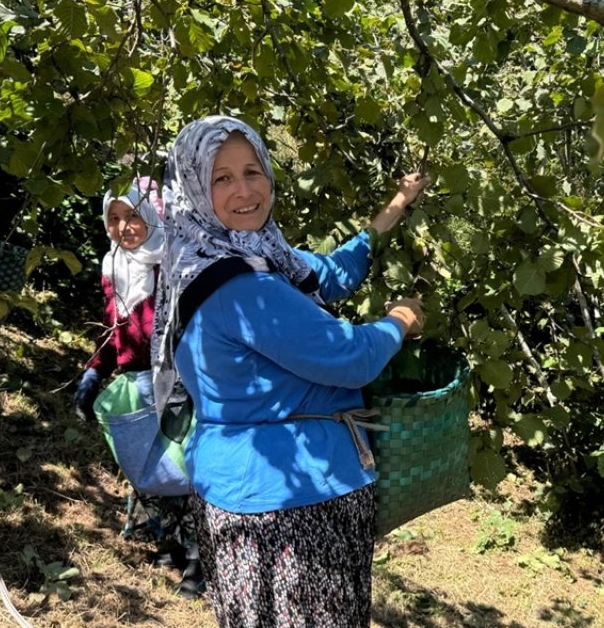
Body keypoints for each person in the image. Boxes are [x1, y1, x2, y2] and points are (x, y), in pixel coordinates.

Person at [152, 116, 428, 626]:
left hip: (240, 492)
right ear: (192, 186)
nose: (244, 190)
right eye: (221, 178)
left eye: (253, 171)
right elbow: (352, 358)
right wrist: (400, 320)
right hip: (292, 503)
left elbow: (330, 272)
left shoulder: (241, 255)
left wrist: (397, 205)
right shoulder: (242, 288)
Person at [72, 177, 205, 598]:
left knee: (184, 472)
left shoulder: (173, 266)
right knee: (148, 467)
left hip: (179, 384)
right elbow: (116, 333)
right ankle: (168, 543)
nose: (123, 226)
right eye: (114, 218)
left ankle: (199, 560)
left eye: (132, 216)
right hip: (138, 383)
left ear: (152, 215)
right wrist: (94, 372)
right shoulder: (115, 267)